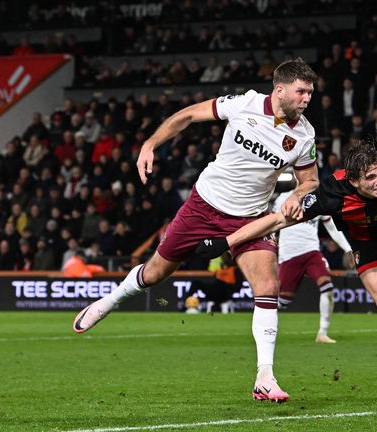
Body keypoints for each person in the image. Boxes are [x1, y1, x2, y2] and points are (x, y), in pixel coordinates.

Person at [72, 58, 320, 403]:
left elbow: (310, 180)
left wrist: (297, 193)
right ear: (279, 89)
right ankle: (110, 300)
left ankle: (265, 375)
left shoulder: (304, 134)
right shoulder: (243, 104)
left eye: (310, 92)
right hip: (202, 207)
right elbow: (187, 115)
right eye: (302, 91)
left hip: (250, 219)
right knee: (156, 273)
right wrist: (150, 144)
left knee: (268, 285)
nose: (308, 98)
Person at [195, 142, 377, 390]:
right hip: (369, 240)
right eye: (370, 178)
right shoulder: (331, 193)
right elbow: (279, 220)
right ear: (354, 181)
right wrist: (227, 241)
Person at [272, 188, 355, 344]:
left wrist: (348, 248)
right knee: (283, 301)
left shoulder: (318, 198)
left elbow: (332, 227)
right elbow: (273, 223)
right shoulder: (283, 197)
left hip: (312, 252)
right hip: (289, 255)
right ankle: (263, 322)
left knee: (327, 287)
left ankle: (322, 333)